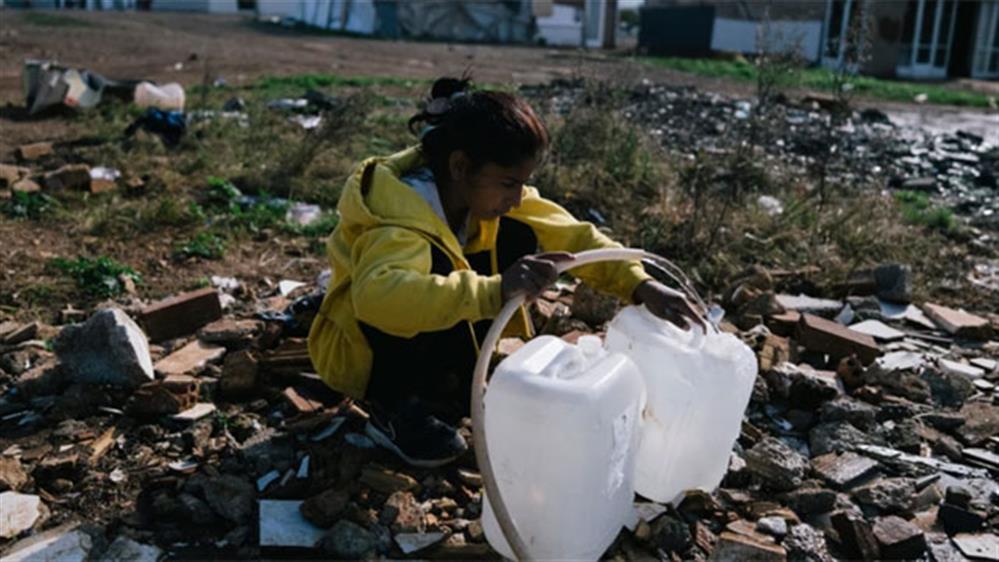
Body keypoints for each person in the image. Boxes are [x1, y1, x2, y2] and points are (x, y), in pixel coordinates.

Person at [308, 76, 702, 467]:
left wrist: (639, 284)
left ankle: (455, 377)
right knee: (433, 265)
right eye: (509, 183)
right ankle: (392, 407)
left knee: (519, 229)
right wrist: (494, 292)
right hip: (364, 348)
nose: (516, 198)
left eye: (522, 184)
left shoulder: (477, 190)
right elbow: (379, 300)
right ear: (461, 166)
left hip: (430, 327)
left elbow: (574, 236)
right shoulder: (401, 217)